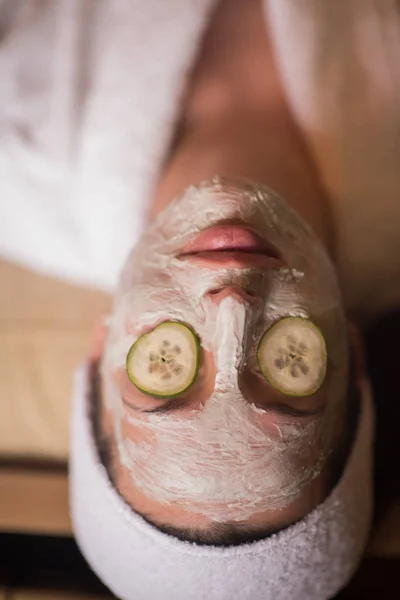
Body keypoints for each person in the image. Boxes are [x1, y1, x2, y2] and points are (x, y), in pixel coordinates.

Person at [1, 0, 399, 599]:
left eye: (168, 374)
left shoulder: (17, 174)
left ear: (102, 352)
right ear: (351, 356)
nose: (231, 305)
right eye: (286, 372)